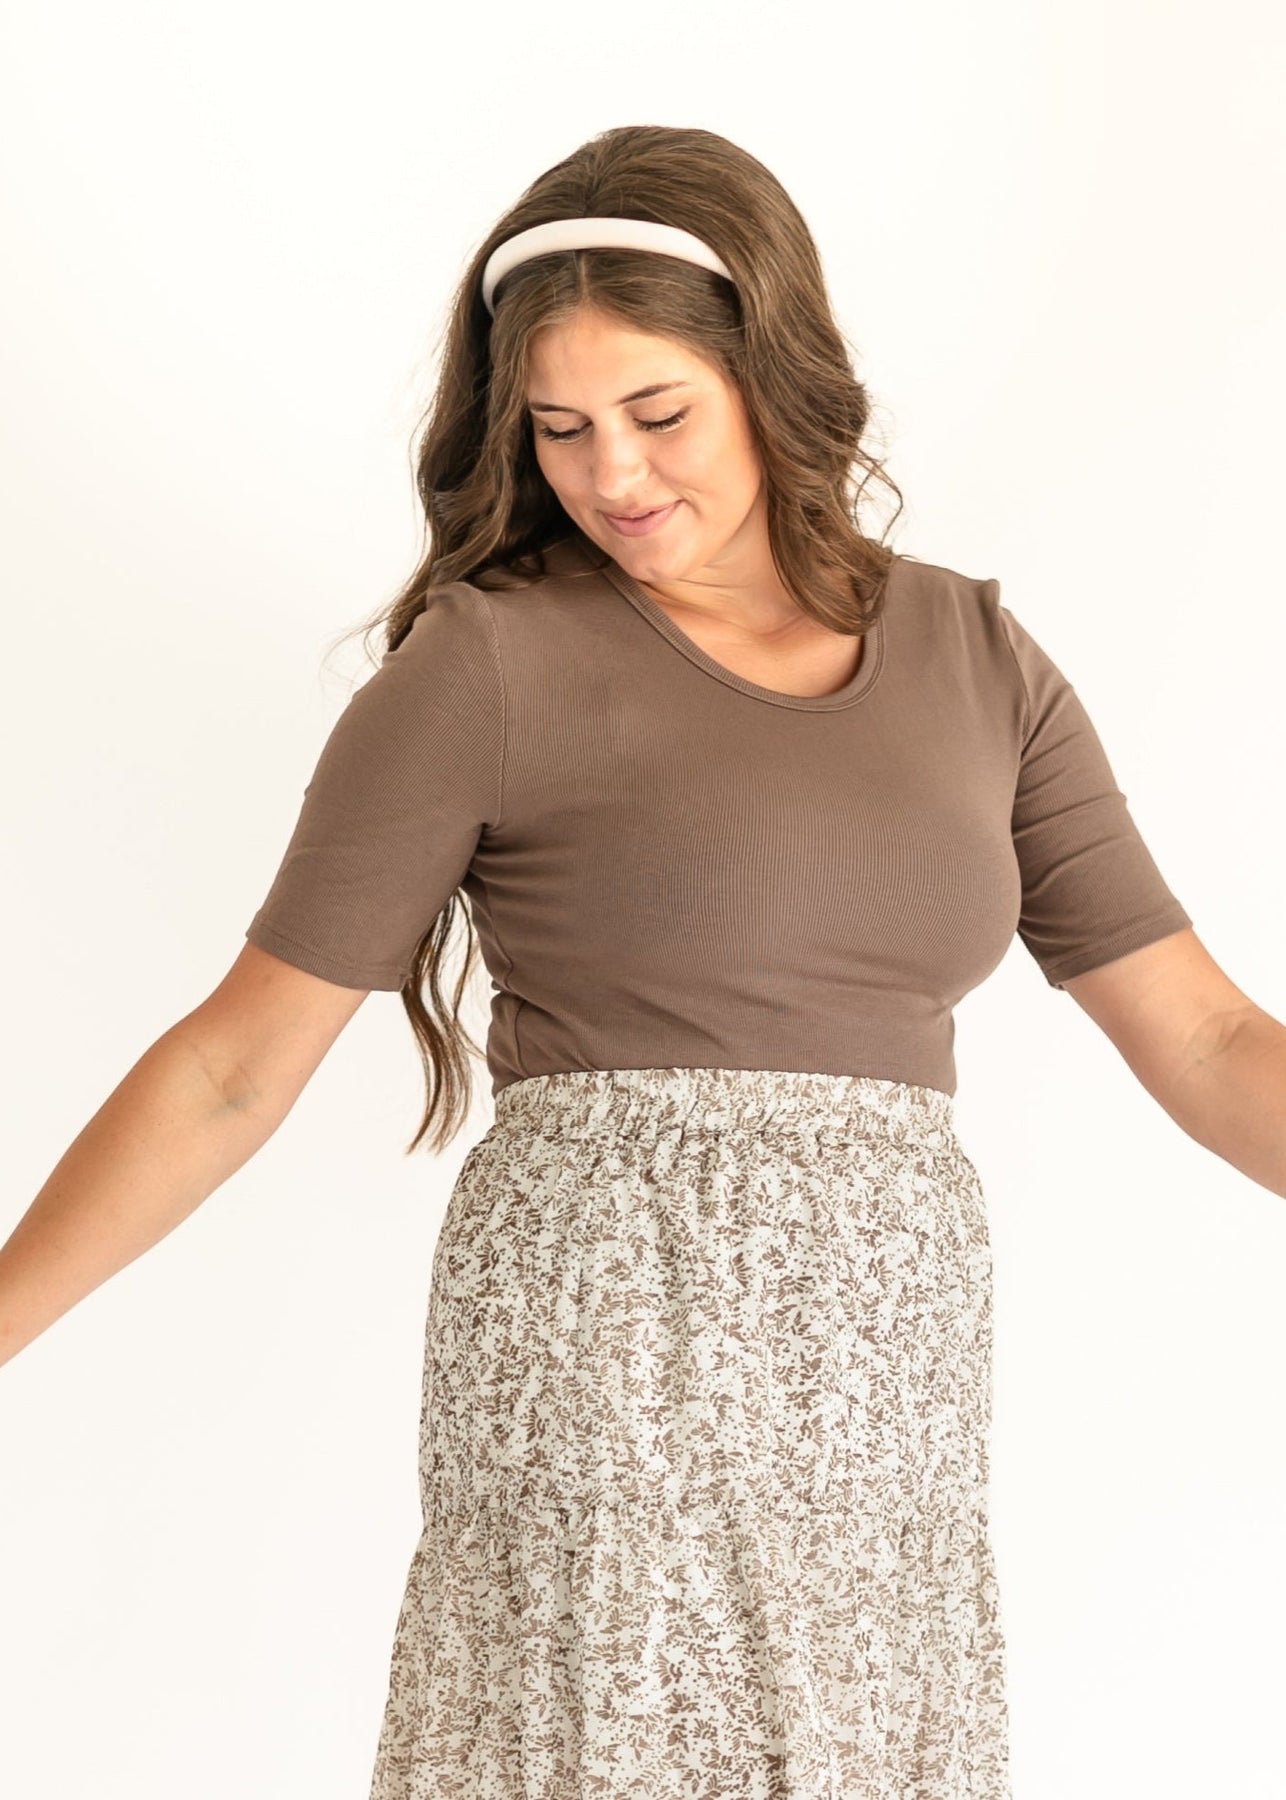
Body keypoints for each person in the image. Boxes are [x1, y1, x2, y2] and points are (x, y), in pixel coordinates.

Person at [4, 123, 1284, 1799]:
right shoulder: (486, 664)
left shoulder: (974, 654)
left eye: (658, 413)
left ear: (774, 376)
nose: (611, 475)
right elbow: (236, 1064)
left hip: (881, 1402)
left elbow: (1202, 1038)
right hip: (605, 1354)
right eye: (559, 429)